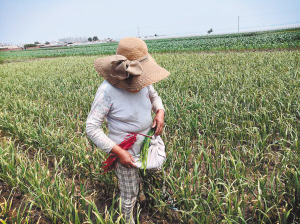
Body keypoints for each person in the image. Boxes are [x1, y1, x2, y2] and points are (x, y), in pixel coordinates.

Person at [86, 37, 170, 223]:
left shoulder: (144, 79)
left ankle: (160, 203)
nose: (139, 84)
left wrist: (160, 112)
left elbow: (154, 96)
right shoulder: (107, 91)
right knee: (130, 191)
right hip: (125, 149)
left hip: (149, 141)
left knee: (156, 175)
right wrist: (118, 152)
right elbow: (92, 127)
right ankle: (129, 219)